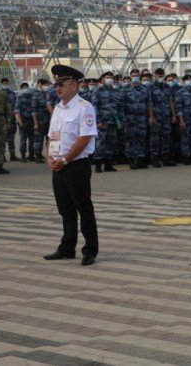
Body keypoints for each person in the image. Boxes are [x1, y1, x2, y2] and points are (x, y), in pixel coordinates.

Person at [43, 64, 99, 267]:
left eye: (62, 84)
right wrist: (50, 157)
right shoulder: (58, 108)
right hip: (58, 165)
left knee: (83, 208)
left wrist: (66, 159)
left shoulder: (84, 107)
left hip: (76, 165)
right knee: (65, 209)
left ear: (74, 86)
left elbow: (85, 138)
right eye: (56, 84)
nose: (58, 88)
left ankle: (90, 250)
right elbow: (52, 136)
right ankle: (67, 247)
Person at [122, 69, 154, 169]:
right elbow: (121, 106)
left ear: (139, 76)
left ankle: (140, 160)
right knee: (130, 139)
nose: (135, 77)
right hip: (130, 118)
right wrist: (123, 119)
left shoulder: (145, 88)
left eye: (137, 75)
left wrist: (151, 116)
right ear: (130, 76)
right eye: (133, 75)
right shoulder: (125, 89)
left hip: (141, 117)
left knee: (141, 138)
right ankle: (131, 160)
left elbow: (149, 104)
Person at [92, 72, 123, 172]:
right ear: (103, 80)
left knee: (111, 143)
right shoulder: (98, 91)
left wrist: (121, 120)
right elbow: (94, 107)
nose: (110, 79)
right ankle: (98, 165)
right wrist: (98, 121)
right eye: (108, 78)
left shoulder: (116, 92)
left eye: (111, 78)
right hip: (103, 122)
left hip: (113, 121)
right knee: (100, 143)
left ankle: (108, 165)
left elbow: (119, 108)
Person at [149, 67, 176, 167]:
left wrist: (173, 115)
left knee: (166, 138)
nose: (160, 77)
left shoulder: (166, 87)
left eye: (162, 76)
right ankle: (155, 159)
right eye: (159, 76)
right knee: (155, 138)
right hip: (156, 116)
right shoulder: (150, 87)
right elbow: (149, 103)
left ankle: (166, 158)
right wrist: (151, 116)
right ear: (155, 76)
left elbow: (170, 101)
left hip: (166, 116)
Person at [31, 79, 52, 163]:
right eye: (45, 85)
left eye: (48, 85)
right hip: (40, 121)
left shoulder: (49, 94)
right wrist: (35, 123)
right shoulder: (36, 95)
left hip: (49, 121)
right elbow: (34, 111)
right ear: (40, 84)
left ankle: (49, 155)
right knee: (38, 140)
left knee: (50, 140)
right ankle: (38, 155)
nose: (47, 86)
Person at [15, 82, 35, 163]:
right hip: (23, 120)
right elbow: (17, 111)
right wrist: (20, 122)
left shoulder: (32, 96)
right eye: (23, 87)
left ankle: (31, 155)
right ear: (21, 89)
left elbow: (35, 109)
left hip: (32, 120)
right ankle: (23, 156)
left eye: (26, 87)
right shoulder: (19, 97)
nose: (25, 88)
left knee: (32, 139)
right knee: (23, 139)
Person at [1, 77, 18, 161]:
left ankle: (12, 155)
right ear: (1, 84)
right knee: (3, 138)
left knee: (11, 138)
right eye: (3, 83)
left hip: (11, 119)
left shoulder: (12, 94)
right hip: (3, 119)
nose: (5, 84)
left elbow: (16, 104)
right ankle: (2, 156)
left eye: (6, 83)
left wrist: (14, 110)